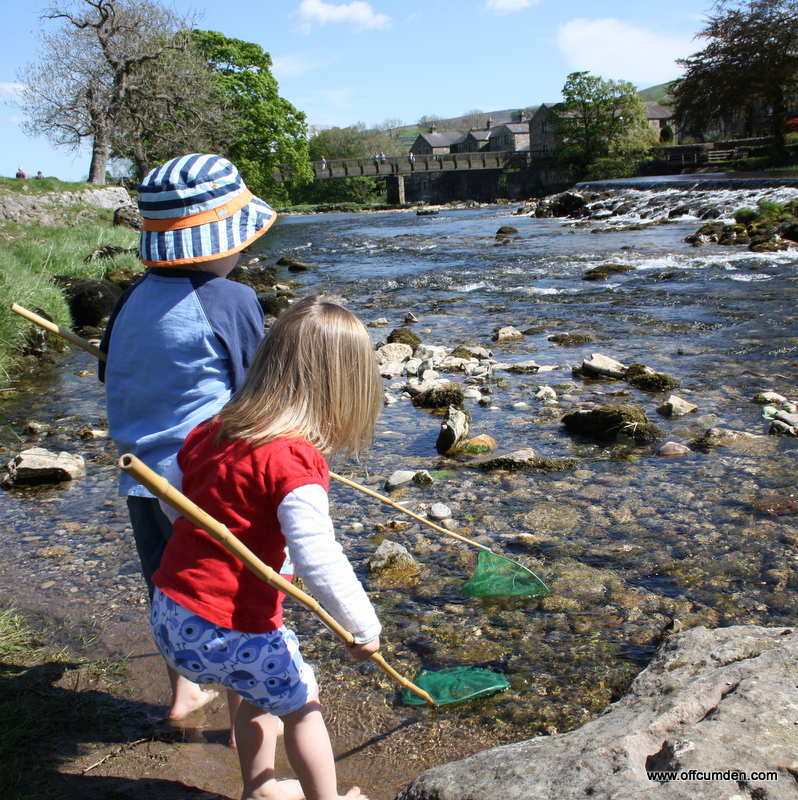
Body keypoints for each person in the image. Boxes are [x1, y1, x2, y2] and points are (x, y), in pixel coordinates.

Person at [150, 295, 382, 800]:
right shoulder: (294, 461)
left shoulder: (212, 429)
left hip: (171, 617)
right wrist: (363, 626)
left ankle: (260, 786)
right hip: (233, 630)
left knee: (251, 687)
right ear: (345, 391)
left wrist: (214, 546)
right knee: (303, 702)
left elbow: (172, 497)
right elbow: (320, 557)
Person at [99, 153, 277, 724]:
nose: (243, 251)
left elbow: (111, 370)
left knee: (168, 586)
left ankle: (183, 692)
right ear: (218, 241)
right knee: (233, 596)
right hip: (205, 486)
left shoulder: (130, 297)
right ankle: (250, 720)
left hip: (141, 479)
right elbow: (259, 391)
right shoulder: (231, 300)